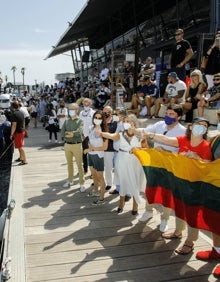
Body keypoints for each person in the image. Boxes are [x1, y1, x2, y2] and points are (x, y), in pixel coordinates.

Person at [144, 117, 212, 255]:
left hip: (195, 186)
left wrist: (198, 158)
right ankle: (178, 231)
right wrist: (151, 135)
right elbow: (167, 141)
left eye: (204, 126)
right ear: (191, 126)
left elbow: (209, 167)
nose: (201, 127)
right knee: (179, 208)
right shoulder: (183, 140)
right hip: (180, 182)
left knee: (192, 213)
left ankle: (190, 242)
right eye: (198, 124)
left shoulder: (205, 146)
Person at [137, 105, 186, 232]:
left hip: (170, 166)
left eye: (171, 114)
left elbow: (183, 153)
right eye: (167, 113)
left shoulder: (183, 131)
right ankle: (148, 210)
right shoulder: (159, 124)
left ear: (179, 117)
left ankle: (165, 218)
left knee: (167, 193)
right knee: (150, 187)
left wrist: (166, 151)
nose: (167, 116)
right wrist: (133, 129)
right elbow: (145, 130)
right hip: (155, 163)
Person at [101, 114, 146, 215]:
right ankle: (121, 203)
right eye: (125, 121)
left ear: (134, 123)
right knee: (123, 181)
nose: (127, 123)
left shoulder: (140, 135)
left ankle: (135, 206)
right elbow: (111, 136)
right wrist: (101, 133)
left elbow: (145, 148)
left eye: (129, 121)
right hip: (122, 159)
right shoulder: (120, 134)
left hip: (135, 161)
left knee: (135, 182)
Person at [84, 110, 108, 205]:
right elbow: (89, 140)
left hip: (98, 156)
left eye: (99, 118)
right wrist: (90, 147)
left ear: (102, 119)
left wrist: (93, 149)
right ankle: (96, 191)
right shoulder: (91, 128)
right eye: (95, 118)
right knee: (93, 175)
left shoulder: (104, 131)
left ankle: (102, 198)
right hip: (91, 155)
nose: (97, 120)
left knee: (100, 177)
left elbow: (105, 147)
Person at [61, 103, 85, 192]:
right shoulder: (67, 121)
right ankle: (70, 180)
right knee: (69, 164)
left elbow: (79, 132)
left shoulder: (80, 121)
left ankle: (81, 183)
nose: (70, 111)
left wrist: (72, 133)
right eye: (69, 109)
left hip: (77, 145)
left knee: (79, 165)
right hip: (67, 145)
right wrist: (70, 134)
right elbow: (63, 132)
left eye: (72, 109)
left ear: (77, 110)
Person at [79, 98, 95, 174]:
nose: (86, 104)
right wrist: (82, 134)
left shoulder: (93, 113)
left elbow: (94, 125)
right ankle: (85, 169)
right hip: (83, 136)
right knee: (84, 153)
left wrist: (87, 135)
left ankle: (93, 172)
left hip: (90, 136)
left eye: (87, 102)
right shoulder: (81, 113)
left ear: (90, 104)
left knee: (91, 153)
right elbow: (79, 124)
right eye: (84, 102)